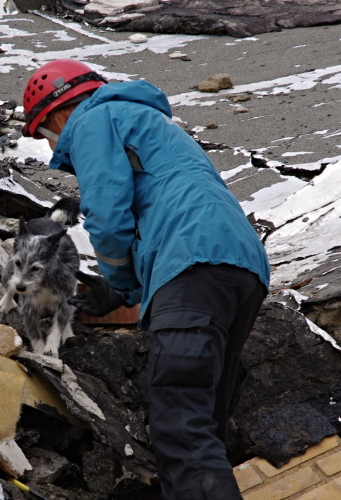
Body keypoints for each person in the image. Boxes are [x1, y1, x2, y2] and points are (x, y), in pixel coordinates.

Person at [22, 59, 270, 500]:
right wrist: (127, 290)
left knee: (181, 427)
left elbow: (108, 213)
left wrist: (118, 284)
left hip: (192, 262)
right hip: (240, 266)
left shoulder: (94, 119)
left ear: (58, 114)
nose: (51, 145)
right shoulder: (146, 121)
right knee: (204, 424)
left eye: (44, 133)